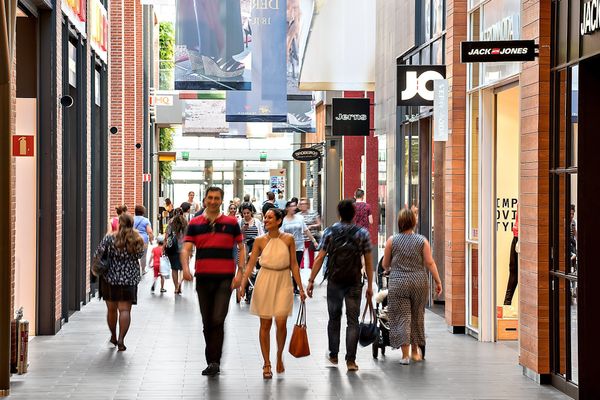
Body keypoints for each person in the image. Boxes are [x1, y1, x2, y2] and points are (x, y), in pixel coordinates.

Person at [180, 187, 246, 376]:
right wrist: (185, 268)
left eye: (217, 198)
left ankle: (214, 361)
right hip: (203, 278)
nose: (213, 201)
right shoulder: (195, 223)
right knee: (207, 320)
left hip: (225, 279)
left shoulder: (232, 223)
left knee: (218, 318)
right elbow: (186, 249)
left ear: (221, 201)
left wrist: (240, 274)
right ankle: (211, 360)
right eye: (210, 198)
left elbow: (242, 248)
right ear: (205, 199)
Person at [239, 208, 306, 379]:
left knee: (281, 322)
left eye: (269, 217)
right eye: (265, 217)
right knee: (265, 324)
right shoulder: (260, 241)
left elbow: (294, 265)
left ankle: (279, 355)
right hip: (265, 280)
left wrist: (301, 288)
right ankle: (267, 363)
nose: (266, 220)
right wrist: (242, 284)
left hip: (283, 280)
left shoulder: (288, 239)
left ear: (278, 221)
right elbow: (251, 263)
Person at [307, 199, 373, 372]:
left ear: (339, 214)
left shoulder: (330, 232)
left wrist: (311, 280)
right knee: (353, 321)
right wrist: (371, 286)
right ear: (354, 213)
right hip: (354, 282)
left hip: (335, 282)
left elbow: (320, 257)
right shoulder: (362, 233)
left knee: (334, 319)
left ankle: (334, 354)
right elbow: (369, 262)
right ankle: (351, 361)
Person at [381, 208, 442, 365]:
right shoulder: (422, 241)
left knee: (402, 318)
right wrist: (438, 281)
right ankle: (415, 352)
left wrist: (390, 266)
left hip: (398, 283)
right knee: (417, 316)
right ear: (413, 222)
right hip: (418, 282)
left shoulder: (391, 241)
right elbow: (429, 262)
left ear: (399, 222)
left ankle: (405, 356)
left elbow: (385, 264)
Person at [93, 213, 145, 351]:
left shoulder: (109, 238)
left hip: (110, 279)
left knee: (111, 310)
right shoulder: (137, 238)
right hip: (129, 279)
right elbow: (140, 255)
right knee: (125, 310)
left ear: (119, 224)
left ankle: (113, 336)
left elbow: (98, 253)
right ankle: (122, 339)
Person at [282, 200, 318, 294]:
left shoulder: (299, 218)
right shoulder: (283, 220)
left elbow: (306, 230)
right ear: (287, 208)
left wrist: (313, 241)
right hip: (287, 247)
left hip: (299, 246)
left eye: (295, 206)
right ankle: (287, 284)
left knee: (296, 266)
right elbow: (281, 235)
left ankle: (295, 286)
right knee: (288, 267)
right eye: (292, 206)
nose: (294, 208)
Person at [165, 208, 188, 294]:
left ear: (174, 213)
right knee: (182, 268)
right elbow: (188, 235)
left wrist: (164, 246)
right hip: (184, 248)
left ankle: (176, 287)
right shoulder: (185, 222)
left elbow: (167, 235)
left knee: (174, 269)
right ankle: (179, 283)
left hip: (172, 248)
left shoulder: (171, 222)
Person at [299, 198, 321, 269]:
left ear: (308, 205)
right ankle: (301, 268)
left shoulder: (313, 213)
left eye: (304, 204)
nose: (303, 205)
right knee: (301, 255)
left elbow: (319, 224)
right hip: (301, 238)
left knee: (311, 254)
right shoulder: (298, 215)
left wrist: (311, 226)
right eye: (301, 204)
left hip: (311, 236)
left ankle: (311, 268)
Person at [134, 205, 154, 275]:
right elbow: (150, 232)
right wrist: (151, 240)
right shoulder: (145, 220)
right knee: (143, 256)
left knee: (133, 254)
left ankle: (134, 269)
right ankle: (142, 270)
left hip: (133, 239)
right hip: (143, 240)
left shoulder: (132, 219)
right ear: (143, 212)